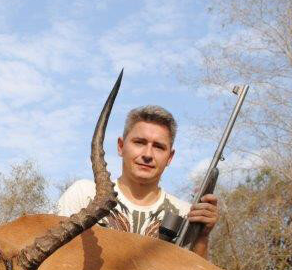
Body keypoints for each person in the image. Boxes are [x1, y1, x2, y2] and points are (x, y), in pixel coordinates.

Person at [56, 105, 219, 259]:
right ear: (121, 146)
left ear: (170, 157)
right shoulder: (84, 194)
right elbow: (54, 261)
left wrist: (202, 238)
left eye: (158, 147)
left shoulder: (186, 214)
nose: (148, 154)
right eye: (139, 142)